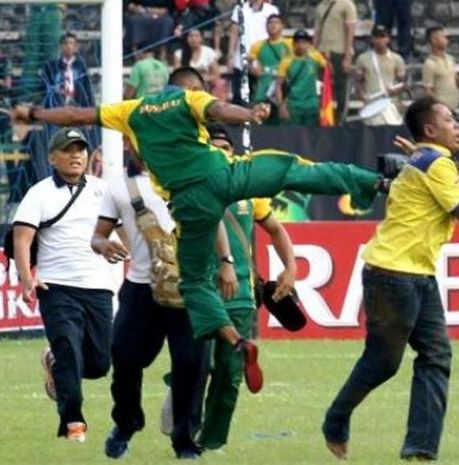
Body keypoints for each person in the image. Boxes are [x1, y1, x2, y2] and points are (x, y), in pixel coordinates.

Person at [14, 67, 385, 394]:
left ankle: (235, 341)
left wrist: (34, 113)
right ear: (187, 88)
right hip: (226, 174)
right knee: (293, 170)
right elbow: (222, 111)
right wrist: (249, 113)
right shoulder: (190, 100)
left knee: (194, 283)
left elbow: (75, 114)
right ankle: (375, 181)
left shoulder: (129, 110)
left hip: (192, 201)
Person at [322, 96, 459, 461]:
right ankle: (337, 417)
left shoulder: (423, 160)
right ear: (430, 129)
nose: (456, 125)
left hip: (414, 274)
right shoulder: (436, 165)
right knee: (384, 361)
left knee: (436, 354)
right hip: (395, 274)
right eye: (448, 119)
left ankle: (420, 448)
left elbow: (426, 168)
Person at [91, 154, 212, 459]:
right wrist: (102, 245)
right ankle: (127, 421)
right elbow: (98, 234)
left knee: (189, 363)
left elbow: (217, 222)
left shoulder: (193, 175)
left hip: (190, 286)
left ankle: (184, 440)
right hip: (140, 287)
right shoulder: (120, 186)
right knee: (123, 354)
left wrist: (225, 263)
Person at [197, 124, 297, 451]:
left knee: (230, 373)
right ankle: (185, 413)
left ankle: (211, 443)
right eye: (213, 146)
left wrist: (290, 267)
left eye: (225, 146)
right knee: (194, 364)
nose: (221, 152)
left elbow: (277, 230)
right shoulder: (183, 186)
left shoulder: (249, 190)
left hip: (239, 293)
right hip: (195, 290)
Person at [12, 127, 113, 442]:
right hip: (56, 287)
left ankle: (54, 362)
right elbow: (22, 237)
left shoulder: (103, 190)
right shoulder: (38, 193)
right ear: (52, 157)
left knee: (98, 364)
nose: (75, 155)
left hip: (99, 286)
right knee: (69, 349)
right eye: (68, 150)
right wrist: (28, 279)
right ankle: (73, 422)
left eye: (80, 149)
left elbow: (122, 231)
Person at [314, 0, 357, 123]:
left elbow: (350, 30)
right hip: (322, 53)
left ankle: (340, 122)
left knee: (342, 91)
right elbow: (317, 32)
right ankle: (323, 121)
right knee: (321, 90)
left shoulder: (347, 5)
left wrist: (347, 56)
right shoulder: (320, 6)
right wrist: (313, 54)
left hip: (340, 52)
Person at [228, 0, 279, 105]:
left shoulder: (271, 10)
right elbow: (234, 32)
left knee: (263, 98)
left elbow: (276, 32)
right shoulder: (239, 9)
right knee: (239, 98)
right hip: (241, 60)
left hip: (264, 60)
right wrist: (230, 56)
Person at [354, 24, 406, 126]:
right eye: (376, 37)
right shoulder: (363, 59)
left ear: (388, 39)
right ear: (372, 39)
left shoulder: (397, 59)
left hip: (391, 103)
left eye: (382, 37)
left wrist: (395, 90)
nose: (379, 41)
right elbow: (358, 81)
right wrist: (362, 95)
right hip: (372, 103)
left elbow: (403, 83)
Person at [276, 29, 327, 126]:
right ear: (294, 44)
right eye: (298, 42)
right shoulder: (287, 61)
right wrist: (281, 106)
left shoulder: (315, 56)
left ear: (308, 44)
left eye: (304, 42)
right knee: (293, 135)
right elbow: (278, 85)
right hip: (294, 104)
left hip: (312, 103)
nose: (301, 45)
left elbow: (327, 73)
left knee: (311, 135)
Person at [248, 13, 293, 122]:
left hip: (284, 91)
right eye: (270, 23)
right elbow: (250, 64)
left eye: (276, 23)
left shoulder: (290, 44)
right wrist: (253, 68)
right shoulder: (257, 45)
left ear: (282, 26)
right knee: (262, 124)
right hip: (264, 92)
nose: (273, 25)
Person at [173, 28, 227, 100]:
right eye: (191, 36)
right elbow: (178, 76)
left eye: (197, 36)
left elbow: (216, 74)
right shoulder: (179, 54)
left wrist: (202, 80)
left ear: (201, 38)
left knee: (220, 83)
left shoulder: (208, 52)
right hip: (187, 85)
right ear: (186, 39)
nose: (194, 39)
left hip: (206, 83)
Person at [422, 26, 459, 110]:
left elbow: (456, 80)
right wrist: (440, 106)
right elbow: (428, 91)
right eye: (443, 37)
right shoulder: (429, 64)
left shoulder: (451, 59)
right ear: (433, 40)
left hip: (456, 105)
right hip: (443, 109)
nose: (446, 40)